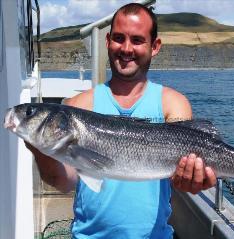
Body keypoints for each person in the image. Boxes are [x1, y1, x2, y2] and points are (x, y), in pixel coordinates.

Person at [27, 3, 216, 238]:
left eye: (137, 40)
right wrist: (39, 148)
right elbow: (63, 181)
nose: (126, 48)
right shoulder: (77, 106)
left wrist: (191, 178)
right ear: (107, 41)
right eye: (119, 38)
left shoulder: (173, 104)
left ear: (155, 46)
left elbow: (182, 172)